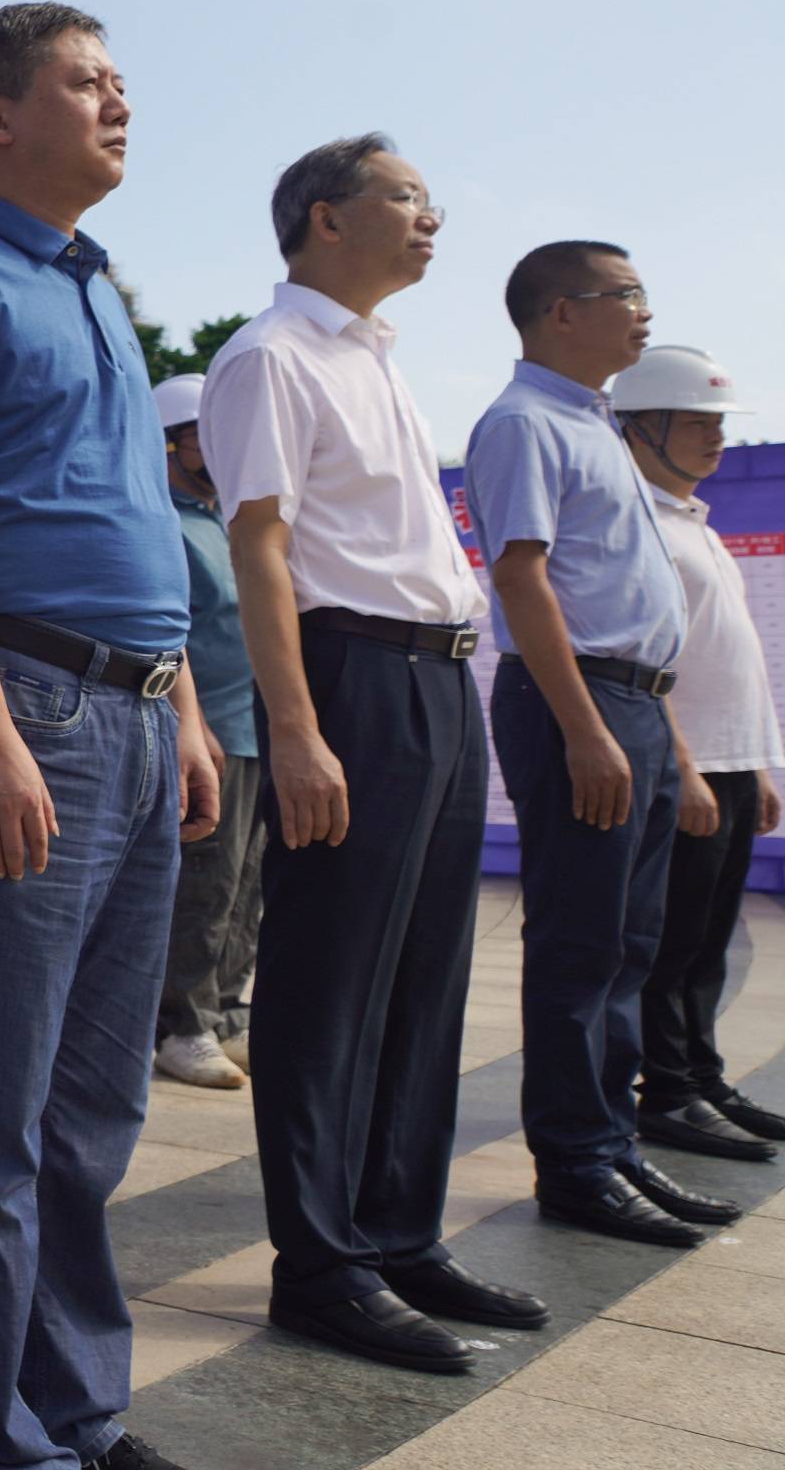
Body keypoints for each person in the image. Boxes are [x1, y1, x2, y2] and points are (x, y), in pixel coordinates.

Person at [0, 3, 221, 1470]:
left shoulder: (94, 291)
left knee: (91, 1112)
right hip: (33, 708)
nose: (118, 103)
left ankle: (82, 1409)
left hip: (133, 716)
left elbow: (138, 523)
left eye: (121, 81)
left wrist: (185, 711)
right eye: (85, 83)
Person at [199, 137, 537, 1376]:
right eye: (405, 195)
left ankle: (398, 1231)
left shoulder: (378, 360)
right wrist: (295, 728)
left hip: (437, 681)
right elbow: (263, 548)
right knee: (329, 976)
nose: (431, 215)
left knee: (424, 977)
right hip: (350, 677)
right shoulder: (269, 357)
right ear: (326, 218)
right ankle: (321, 1263)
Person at [467, 241, 728, 1246]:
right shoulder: (525, 423)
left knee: (630, 943)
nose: (643, 314)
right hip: (580, 699)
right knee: (581, 944)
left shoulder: (594, 426)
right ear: (559, 312)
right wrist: (584, 728)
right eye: (626, 296)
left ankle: (613, 1144)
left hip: (633, 703)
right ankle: (575, 1161)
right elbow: (523, 579)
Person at [612, 346, 785, 1161]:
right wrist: (683, 766)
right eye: (699, 423)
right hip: (688, 765)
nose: (717, 439)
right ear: (643, 428)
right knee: (672, 941)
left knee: (709, 942)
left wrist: (752, 762)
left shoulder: (694, 521)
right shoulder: (639, 522)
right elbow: (651, 658)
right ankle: (668, 1094)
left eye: (720, 424)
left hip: (729, 761)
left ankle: (702, 1076)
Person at [146, 375, 259, 1095]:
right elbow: (167, 632)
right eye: (205, 435)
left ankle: (222, 1012)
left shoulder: (229, 518)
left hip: (255, 726)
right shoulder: (161, 522)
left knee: (247, 884)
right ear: (169, 441)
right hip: (206, 726)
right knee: (204, 884)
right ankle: (179, 1025)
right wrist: (192, 722)